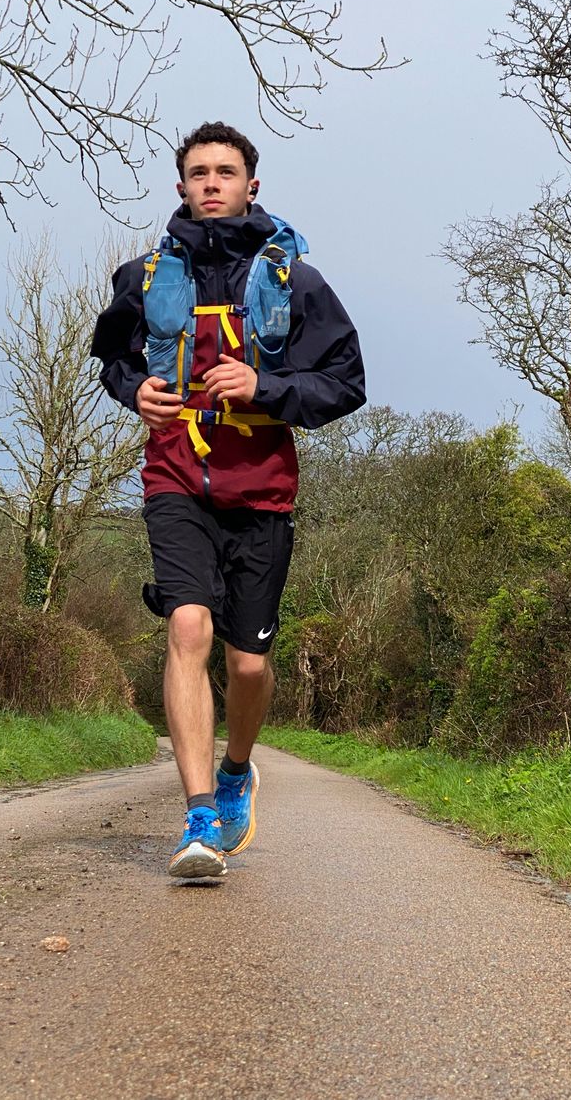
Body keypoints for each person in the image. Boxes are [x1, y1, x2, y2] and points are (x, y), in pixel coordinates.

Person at [91, 121, 365, 879]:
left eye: (226, 171)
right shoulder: (143, 277)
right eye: (198, 172)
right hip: (175, 477)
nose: (211, 182)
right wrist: (133, 390)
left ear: (252, 185)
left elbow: (346, 383)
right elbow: (112, 356)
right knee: (186, 625)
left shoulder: (295, 282)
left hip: (262, 493)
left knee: (248, 666)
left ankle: (238, 768)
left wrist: (265, 387)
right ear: (180, 186)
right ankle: (200, 814)